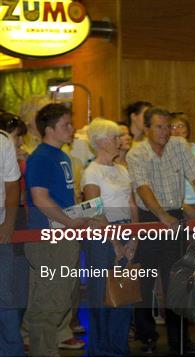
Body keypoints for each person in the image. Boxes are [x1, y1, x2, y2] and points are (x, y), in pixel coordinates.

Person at [126, 106, 195, 354]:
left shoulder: (179, 145)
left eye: (168, 126)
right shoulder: (136, 153)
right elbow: (143, 188)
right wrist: (161, 216)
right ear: (147, 128)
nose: (166, 132)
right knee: (145, 282)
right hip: (148, 218)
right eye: (160, 127)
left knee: (178, 280)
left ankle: (180, 340)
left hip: (175, 215)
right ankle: (147, 337)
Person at [24, 103, 94, 357]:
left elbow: (58, 197)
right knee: (50, 301)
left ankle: (43, 346)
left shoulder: (61, 156)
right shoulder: (42, 157)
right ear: (50, 129)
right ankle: (44, 351)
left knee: (58, 298)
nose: (72, 129)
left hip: (63, 234)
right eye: (66, 124)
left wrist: (78, 216)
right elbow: (40, 199)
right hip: (48, 239)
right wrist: (69, 221)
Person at [82, 118, 139, 356]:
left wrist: (135, 237)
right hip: (102, 236)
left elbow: (131, 204)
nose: (120, 141)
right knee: (101, 295)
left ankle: (118, 348)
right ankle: (99, 349)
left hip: (126, 232)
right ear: (102, 141)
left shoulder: (122, 169)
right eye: (116, 137)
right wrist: (114, 241)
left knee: (124, 295)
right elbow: (94, 209)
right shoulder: (91, 171)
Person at [0, 126, 23, 356]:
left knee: (4, 297)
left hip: (0, 232)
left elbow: (12, 184)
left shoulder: (3, 141)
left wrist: (9, 223)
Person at [170, 112, 195, 218]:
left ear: (187, 130)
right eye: (172, 127)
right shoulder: (165, 156)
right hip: (178, 207)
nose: (177, 131)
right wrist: (183, 206)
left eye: (181, 126)